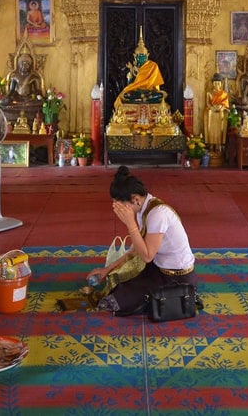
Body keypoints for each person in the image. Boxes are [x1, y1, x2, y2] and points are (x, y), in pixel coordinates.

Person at [88, 166, 197, 315]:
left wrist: (130, 224)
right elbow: (135, 250)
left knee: (115, 302)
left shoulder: (157, 215)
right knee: (119, 281)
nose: (120, 211)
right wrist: (107, 270)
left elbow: (146, 256)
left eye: (122, 206)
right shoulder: (144, 208)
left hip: (176, 277)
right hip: (158, 268)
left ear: (136, 199)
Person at [205, 74, 230, 148]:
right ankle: (211, 147)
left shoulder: (224, 93)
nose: (217, 85)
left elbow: (226, 104)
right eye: (215, 83)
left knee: (219, 131)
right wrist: (212, 108)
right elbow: (207, 103)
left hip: (220, 113)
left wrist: (221, 108)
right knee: (211, 130)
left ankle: (218, 147)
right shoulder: (209, 93)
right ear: (212, 84)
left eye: (218, 83)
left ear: (221, 84)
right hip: (211, 113)